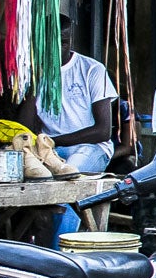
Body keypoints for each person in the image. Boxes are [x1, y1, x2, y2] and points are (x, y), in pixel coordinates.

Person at [25, 15, 119, 175]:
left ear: (71, 41)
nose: (57, 49)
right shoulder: (34, 72)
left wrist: (54, 141)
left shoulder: (92, 69)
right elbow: (24, 127)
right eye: (51, 44)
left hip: (90, 147)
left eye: (63, 43)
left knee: (68, 173)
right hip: (47, 149)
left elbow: (103, 131)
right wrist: (36, 81)